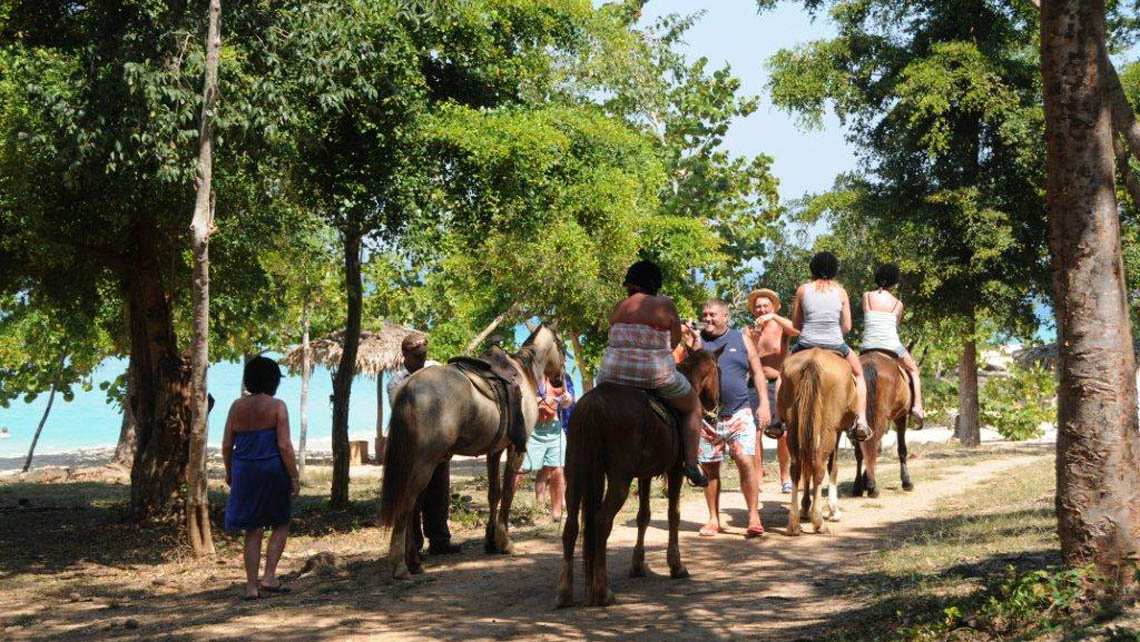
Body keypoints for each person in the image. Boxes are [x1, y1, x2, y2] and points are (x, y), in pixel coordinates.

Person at [596, 260, 708, 487]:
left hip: (609, 376)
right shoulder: (664, 304)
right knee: (693, 406)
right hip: (654, 376)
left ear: (629, 283)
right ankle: (691, 463)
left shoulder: (619, 306)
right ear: (655, 283)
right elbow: (674, 341)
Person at [223, 356, 299, 600]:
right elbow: (285, 445)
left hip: (244, 470)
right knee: (281, 522)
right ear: (273, 381)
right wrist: (294, 477)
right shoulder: (278, 406)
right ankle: (269, 576)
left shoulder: (236, 406)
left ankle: (251, 587)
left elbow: (226, 445)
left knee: (252, 529)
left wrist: (229, 471)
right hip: (271, 470)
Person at [774, 251, 871, 442]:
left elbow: (796, 325)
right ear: (834, 270)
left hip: (805, 343)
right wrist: (834, 336)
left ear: (812, 269)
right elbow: (847, 326)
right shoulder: (841, 292)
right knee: (859, 375)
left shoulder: (803, 290)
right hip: (835, 343)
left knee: (781, 375)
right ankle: (861, 420)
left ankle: (777, 420)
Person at [694, 298, 770, 537]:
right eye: (704, 314)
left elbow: (757, 373)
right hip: (707, 418)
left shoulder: (742, 339)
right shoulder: (698, 342)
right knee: (709, 469)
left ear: (726, 317)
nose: (707, 318)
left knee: (745, 462)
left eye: (712, 314)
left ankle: (753, 517)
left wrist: (765, 404)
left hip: (740, 412)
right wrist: (693, 345)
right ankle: (713, 519)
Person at [387, 332, 462, 555]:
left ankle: (439, 540)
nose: (421, 359)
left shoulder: (436, 369)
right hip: (413, 447)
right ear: (405, 355)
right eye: (416, 354)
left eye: (423, 354)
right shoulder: (397, 383)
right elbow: (405, 418)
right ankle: (413, 544)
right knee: (414, 495)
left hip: (439, 444)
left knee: (439, 494)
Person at [745, 288, 797, 494]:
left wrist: (775, 317)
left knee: (782, 433)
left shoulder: (781, 325)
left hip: (778, 381)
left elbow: (797, 330)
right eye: (758, 306)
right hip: (755, 384)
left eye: (765, 305)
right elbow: (749, 357)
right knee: (755, 432)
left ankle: (785, 478)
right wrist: (756, 339)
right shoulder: (749, 330)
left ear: (773, 307)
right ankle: (758, 478)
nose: (761, 309)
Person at [861, 264, 925, 423]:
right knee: (913, 370)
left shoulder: (867, 296)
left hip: (868, 346)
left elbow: (867, 315)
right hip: (891, 347)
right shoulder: (898, 304)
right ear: (894, 283)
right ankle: (917, 406)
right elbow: (895, 326)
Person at [514, 375, 574, 521]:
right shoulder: (529, 374)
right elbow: (518, 398)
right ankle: (502, 506)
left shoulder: (560, 377)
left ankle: (556, 514)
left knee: (558, 470)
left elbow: (567, 402)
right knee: (519, 470)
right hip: (532, 428)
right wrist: (540, 400)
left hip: (554, 428)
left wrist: (567, 399)